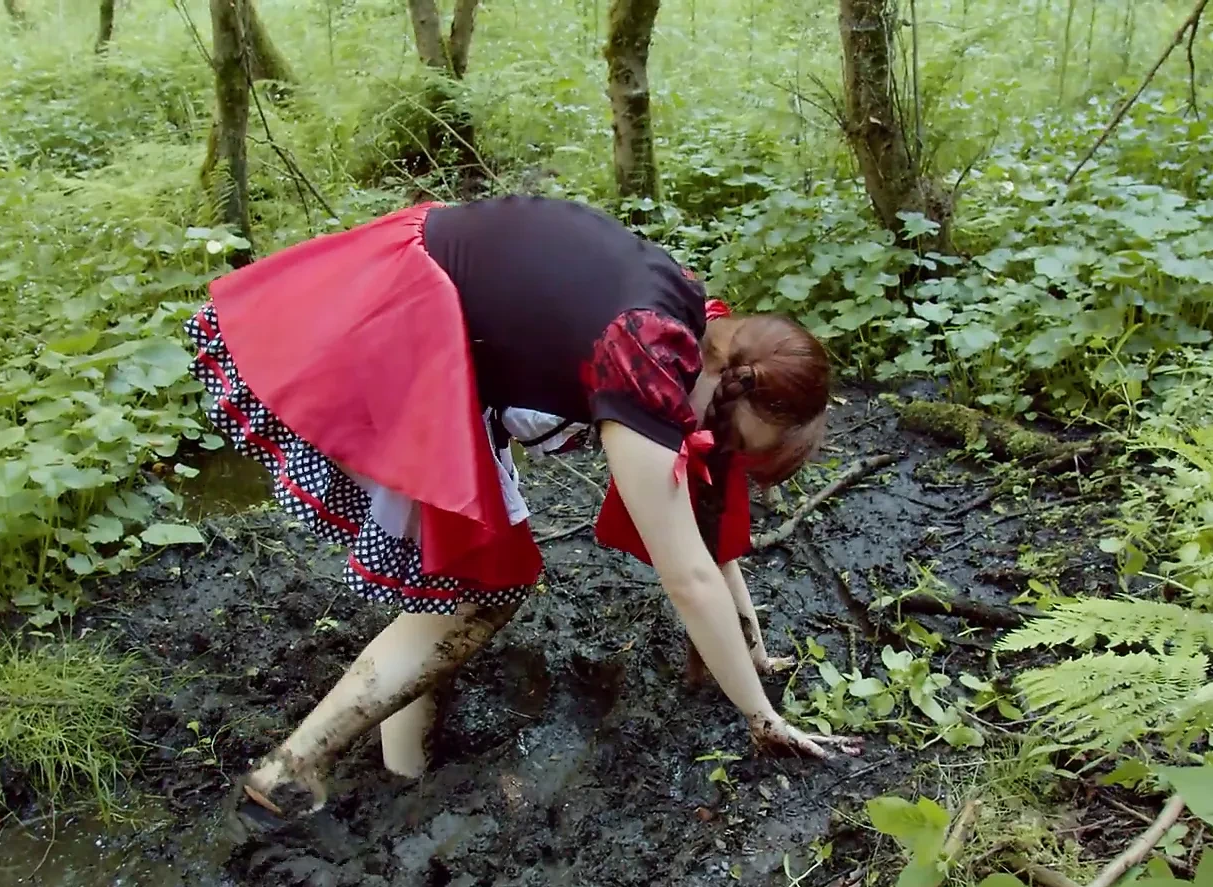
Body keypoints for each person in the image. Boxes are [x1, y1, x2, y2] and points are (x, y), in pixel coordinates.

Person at [180, 194, 862, 830]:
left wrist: (751, 651)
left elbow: (701, 514)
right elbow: (687, 576)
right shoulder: (646, 362)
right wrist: (762, 719)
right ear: (733, 388)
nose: (723, 451)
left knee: (451, 585)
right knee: (475, 591)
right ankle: (293, 770)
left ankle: (404, 776)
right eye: (737, 440)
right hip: (392, 331)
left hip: (412, 299)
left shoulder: (695, 322)